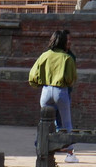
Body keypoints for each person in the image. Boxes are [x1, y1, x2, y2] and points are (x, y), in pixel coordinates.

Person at [29, 29, 79, 163]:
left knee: (44, 122)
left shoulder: (44, 55)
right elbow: (71, 79)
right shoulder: (67, 58)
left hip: (45, 90)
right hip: (61, 90)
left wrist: (40, 83)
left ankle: (40, 146)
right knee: (66, 123)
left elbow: (33, 75)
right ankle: (70, 152)